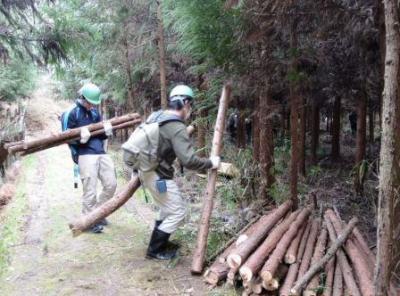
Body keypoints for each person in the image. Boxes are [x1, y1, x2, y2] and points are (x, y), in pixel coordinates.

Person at [123, 85, 220, 260]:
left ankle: (160, 244)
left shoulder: (158, 116)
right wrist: (211, 163)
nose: (190, 110)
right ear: (185, 103)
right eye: (190, 105)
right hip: (156, 175)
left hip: (149, 171)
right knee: (177, 211)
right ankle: (155, 249)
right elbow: (189, 160)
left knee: (166, 208)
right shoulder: (175, 125)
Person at [65, 83, 117, 233]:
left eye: (94, 103)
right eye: (90, 103)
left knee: (111, 184)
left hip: (101, 152)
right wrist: (79, 139)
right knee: (90, 191)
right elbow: (67, 138)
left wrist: (107, 132)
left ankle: (98, 214)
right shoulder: (73, 113)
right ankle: (88, 221)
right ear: (83, 98)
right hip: (85, 154)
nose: (92, 106)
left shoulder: (94, 113)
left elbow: (100, 133)